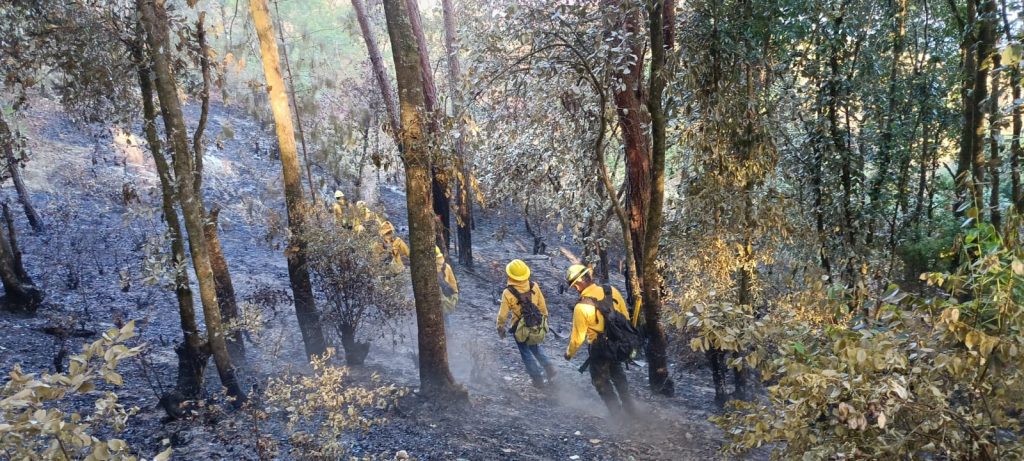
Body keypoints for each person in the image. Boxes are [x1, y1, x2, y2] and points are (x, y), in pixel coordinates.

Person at [564, 264, 636, 418]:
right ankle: (630, 407)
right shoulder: (611, 291)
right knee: (618, 373)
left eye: (575, 285)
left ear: (579, 282)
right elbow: (625, 317)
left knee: (600, 382)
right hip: (618, 344)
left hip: (599, 349)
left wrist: (569, 354)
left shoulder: (581, 307)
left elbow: (578, 338)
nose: (575, 288)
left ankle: (616, 415)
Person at [496, 259, 556, 388]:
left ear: (510, 275)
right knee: (535, 347)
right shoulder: (534, 286)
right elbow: (542, 305)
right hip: (536, 323)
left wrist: (500, 327)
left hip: (520, 328)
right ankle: (549, 367)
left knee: (525, 353)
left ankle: (537, 379)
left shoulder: (508, 293)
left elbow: (503, 314)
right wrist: (544, 319)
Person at [436, 246, 458, 324]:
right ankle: (450, 335)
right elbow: (453, 283)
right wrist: (455, 297)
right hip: (446, 301)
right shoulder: (447, 266)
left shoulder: (427, 269)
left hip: (434, 302)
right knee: (447, 321)